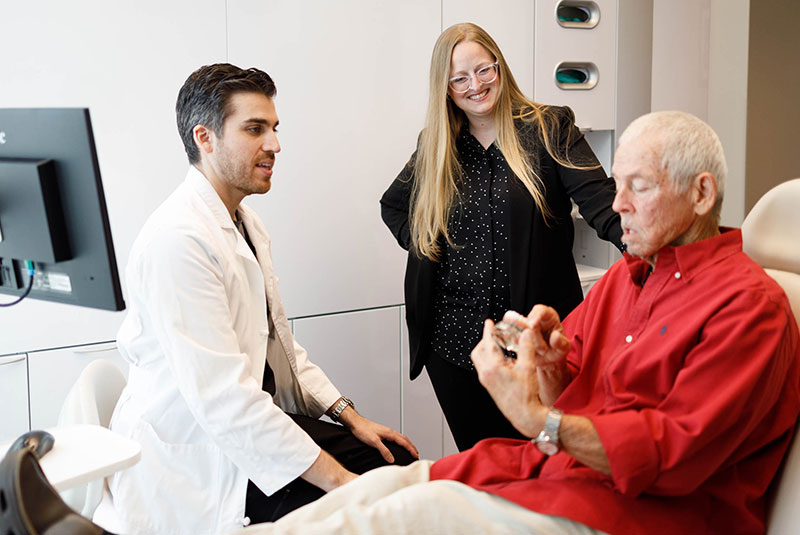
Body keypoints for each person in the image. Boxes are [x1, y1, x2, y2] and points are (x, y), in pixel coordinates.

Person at [241, 111, 800, 535]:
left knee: (402, 513)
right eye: (619, 183)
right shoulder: (624, 282)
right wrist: (549, 365)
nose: (618, 203)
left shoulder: (750, 308)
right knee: (380, 486)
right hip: (559, 476)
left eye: (641, 187)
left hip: (645, 513)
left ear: (701, 193)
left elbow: (673, 458)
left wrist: (537, 417)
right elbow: (574, 384)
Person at [94, 63, 418, 535]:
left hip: (250, 428)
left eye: (274, 128)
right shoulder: (178, 241)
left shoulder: (246, 223)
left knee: (398, 463)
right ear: (204, 138)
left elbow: (281, 350)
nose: (275, 144)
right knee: (371, 505)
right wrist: (341, 481)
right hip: (203, 459)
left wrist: (350, 416)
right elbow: (225, 401)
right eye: (254, 129)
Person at [380, 22, 623, 451]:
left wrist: (651, 248)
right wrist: (429, 245)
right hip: (455, 347)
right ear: (446, 87)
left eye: (483, 70)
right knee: (486, 473)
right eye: (459, 78)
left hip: (536, 346)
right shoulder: (437, 144)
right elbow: (394, 206)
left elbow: (601, 202)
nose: (475, 85)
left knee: (547, 466)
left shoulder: (549, 127)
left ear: (499, 67)